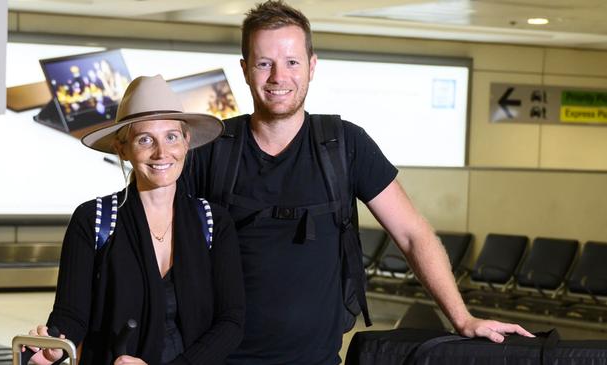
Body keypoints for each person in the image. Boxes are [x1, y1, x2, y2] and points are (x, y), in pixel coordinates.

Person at [188, 1, 534, 364]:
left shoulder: (344, 145)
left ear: (312, 66)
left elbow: (413, 234)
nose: (278, 77)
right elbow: (154, 242)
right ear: (245, 70)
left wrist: (462, 318)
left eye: (292, 62)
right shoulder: (210, 148)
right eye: (264, 63)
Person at [29, 75, 245, 365]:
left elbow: (231, 322)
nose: (161, 152)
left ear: (186, 141)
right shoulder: (93, 220)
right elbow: (71, 314)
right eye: (145, 140)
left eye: (171, 136)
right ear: (123, 149)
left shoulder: (213, 222)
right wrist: (55, 342)